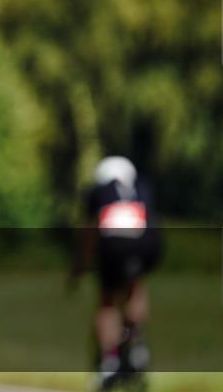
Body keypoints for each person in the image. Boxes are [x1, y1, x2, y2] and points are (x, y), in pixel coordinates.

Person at [72, 156, 161, 391]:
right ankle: (138, 346)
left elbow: (90, 232)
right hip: (146, 245)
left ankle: (109, 359)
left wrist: (80, 266)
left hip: (112, 247)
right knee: (135, 289)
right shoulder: (141, 188)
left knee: (107, 301)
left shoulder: (99, 191)